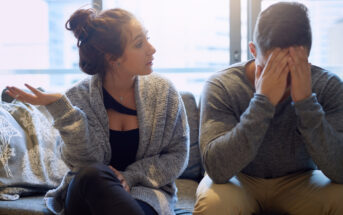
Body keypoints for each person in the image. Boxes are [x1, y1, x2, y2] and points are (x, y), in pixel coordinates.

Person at [6, 8, 189, 215]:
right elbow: (84, 163)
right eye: (139, 44)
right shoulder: (78, 97)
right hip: (86, 194)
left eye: (147, 39)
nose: (152, 49)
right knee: (93, 174)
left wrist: (129, 176)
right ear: (113, 58)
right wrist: (63, 109)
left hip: (145, 196)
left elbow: (178, 153)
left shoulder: (164, 93)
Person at [193, 2, 343, 215]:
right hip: (240, 178)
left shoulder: (328, 85)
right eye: (271, 68)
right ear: (253, 51)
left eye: (291, 69)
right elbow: (217, 170)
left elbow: (340, 169)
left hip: (301, 178)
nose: (281, 79)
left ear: (307, 55)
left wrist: (306, 102)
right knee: (214, 204)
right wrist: (262, 102)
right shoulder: (221, 85)